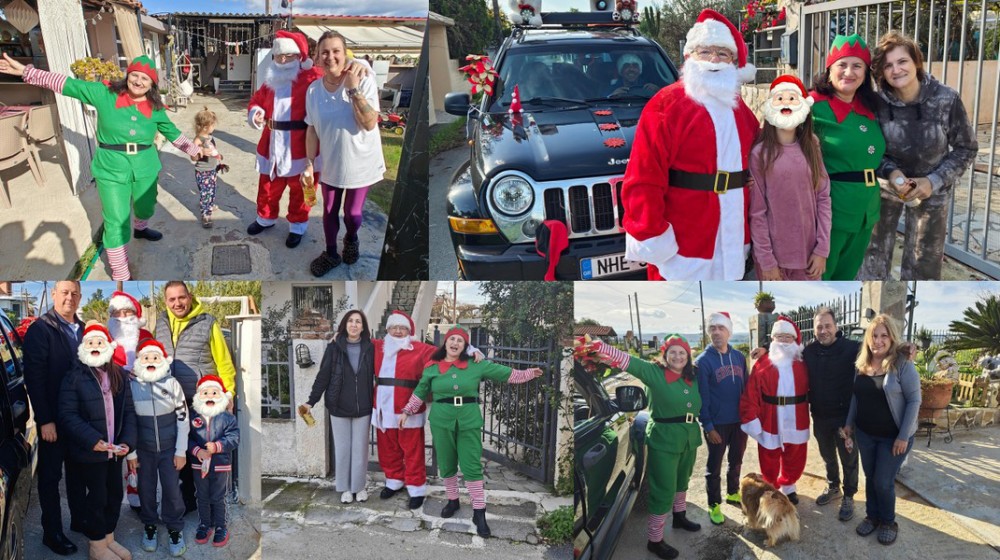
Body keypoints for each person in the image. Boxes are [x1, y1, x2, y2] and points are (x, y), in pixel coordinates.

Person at [0, 54, 207, 280]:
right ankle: (121, 272)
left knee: (146, 207)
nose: (138, 81)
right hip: (111, 166)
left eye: (145, 79)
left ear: (152, 84)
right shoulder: (105, 94)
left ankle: (140, 227)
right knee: (116, 221)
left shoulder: (156, 108)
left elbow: (173, 134)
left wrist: (196, 151)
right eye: (134, 75)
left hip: (145, 165)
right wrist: (27, 72)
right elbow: (67, 85)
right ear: (127, 76)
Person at [622, 9, 759, 280]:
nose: (714, 60)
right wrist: (651, 232)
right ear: (689, 56)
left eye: (723, 53)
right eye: (705, 52)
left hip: (732, 238)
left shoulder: (740, 109)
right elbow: (643, 176)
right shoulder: (666, 105)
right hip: (684, 243)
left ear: (733, 61)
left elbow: (760, 152)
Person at [399, 327, 543, 538]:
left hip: (468, 420)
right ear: (445, 343)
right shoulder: (432, 367)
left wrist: (529, 373)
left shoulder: (475, 364)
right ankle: (453, 500)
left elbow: (505, 373)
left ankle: (479, 511)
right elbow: (420, 392)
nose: (455, 343)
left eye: (460, 340)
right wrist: (406, 411)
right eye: (452, 339)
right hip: (441, 420)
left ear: (466, 346)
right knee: (447, 463)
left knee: (471, 465)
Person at [860, 31, 978, 280]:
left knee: (923, 267)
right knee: (872, 260)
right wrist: (891, 172)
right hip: (885, 188)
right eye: (888, 65)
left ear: (916, 61)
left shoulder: (946, 99)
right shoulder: (877, 103)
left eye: (902, 61)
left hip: (932, 191)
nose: (896, 70)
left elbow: (966, 148)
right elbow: (869, 149)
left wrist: (933, 181)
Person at [582, 335, 702, 560]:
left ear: (688, 356)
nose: (677, 357)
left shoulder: (692, 376)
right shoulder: (654, 373)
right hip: (664, 439)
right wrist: (599, 347)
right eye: (673, 352)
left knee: (682, 481)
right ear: (665, 355)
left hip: (689, 437)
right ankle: (655, 541)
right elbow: (627, 361)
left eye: (682, 353)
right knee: (663, 489)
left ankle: (679, 516)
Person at [305, 31, 385, 276]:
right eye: (325, 52)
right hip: (331, 163)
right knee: (329, 210)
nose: (330, 57)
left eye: (336, 51)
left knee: (352, 213)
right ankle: (331, 253)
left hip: (362, 162)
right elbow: (311, 129)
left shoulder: (363, 79)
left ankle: (351, 238)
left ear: (345, 53)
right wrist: (309, 163)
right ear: (317, 57)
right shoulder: (313, 91)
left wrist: (352, 89)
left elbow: (371, 123)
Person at [155, 280, 237, 512]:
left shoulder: (207, 322)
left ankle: (208, 503)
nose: (177, 303)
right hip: (170, 401)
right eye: (172, 299)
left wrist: (228, 393)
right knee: (177, 451)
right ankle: (184, 502)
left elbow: (224, 362)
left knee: (202, 452)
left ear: (190, 297)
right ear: (166, 301)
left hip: (200, 401)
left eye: (181, 297)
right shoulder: (161, 322)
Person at [809, 34, 885, 280]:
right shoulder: (811, 106)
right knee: (821, 279)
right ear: (830, 68)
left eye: (857, 66)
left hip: (866, 211)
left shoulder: (871, 109)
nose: (849, 72)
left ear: (865, 73)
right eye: (842, 64)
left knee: (846, 277)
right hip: (831, 212)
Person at [60, 324, 136, 560]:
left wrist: (128, 443)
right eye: (90, 343)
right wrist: (92, 439)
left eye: (99, 343)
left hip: (114, 452)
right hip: (90, 453)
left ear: (109, 347)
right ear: (84, 347)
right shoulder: (74, 377)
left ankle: (108, 538)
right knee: (96, 498)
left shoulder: (120, 376)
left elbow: (130, 413)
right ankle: (96, 546)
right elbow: (67, 414)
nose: (95, 347)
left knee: (114, 495)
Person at [843, 314, 920, 545]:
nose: (878, 341)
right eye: (874, 335)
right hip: (866, 435)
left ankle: (888, 521)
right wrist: (848, 424)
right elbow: (856, 398)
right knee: (870, 478)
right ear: (868, 339)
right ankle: (872, 516)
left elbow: (914, 401)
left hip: (893, 437)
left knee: (883, 481)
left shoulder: (902, 365)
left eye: (883, 335)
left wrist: (903, 436)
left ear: (892, 338)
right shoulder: (862, 365)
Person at [22, 281, 86, 555]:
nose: (69, 298)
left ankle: (79, 520)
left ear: (80, 297)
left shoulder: (82, 329)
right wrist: (45, 419)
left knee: (77, 473)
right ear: (54, 295)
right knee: (49, 478)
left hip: (78, 419)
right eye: (64, 293)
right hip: (54, 421)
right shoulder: (42, 329)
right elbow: (34, 378)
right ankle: (52, 532)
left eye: (74, 293)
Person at [749, 75, 832, 280]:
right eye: (780, 99)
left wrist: (822, 249)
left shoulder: (811, 146)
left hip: (809, 259)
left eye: (793, 99)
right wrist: (767, 260)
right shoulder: (760, 154)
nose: (786, 104)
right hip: (774, 262)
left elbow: (823, 198)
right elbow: (757, 212)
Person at [246, 30, 323, 247]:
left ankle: (298, 225)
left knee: (303, 189)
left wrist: (360, 68)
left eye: (288, 55)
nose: (282, 59)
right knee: (268, 187)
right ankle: (266, 218)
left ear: (299, 56)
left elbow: (337, 77)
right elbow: (256, 101)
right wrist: (256, 112)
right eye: (278, 55)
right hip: (272, 143)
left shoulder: (313, 78)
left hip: (302, 145)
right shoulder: (270, 80)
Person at [301, 309, 376, 504]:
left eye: (358, 322)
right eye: (350, 321)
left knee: (359, 450)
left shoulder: (370, 347)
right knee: (343, 450)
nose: (354, 324)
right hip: (338, 406)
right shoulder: (334, 348)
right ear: (344, 324)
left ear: (363, 327)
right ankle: (344, 488)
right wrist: (311, 401)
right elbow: (323, 376)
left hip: (363, 407)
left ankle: (359, 487)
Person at [126, 339, 189, 557]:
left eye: (155, 357)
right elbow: (129, 421)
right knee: (146, 489)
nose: (151, 361)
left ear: (162, 360)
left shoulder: (172, 384)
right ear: (139, 361)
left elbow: (183, 418)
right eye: (146, 358)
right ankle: (150, 525)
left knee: (172, 489)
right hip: (143, 451)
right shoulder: (133, 385)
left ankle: (175, 528)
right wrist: (131, 452)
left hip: (170, 450)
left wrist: (181, 451)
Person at [740, 316, 810, 504]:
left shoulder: (804, 361)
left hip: (797, 414)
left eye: (788, 337)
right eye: (779, 337)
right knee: (769, 454)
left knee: (795, 453)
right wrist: (751, 418)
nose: (784, 341)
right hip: (770, 415)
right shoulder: (762, 363)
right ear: (772, 340)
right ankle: (771, 486)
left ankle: (788, 486)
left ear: (795, 340)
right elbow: (751, 392)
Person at [803, 307, 860, 521]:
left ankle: (849, 496)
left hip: (845, 421)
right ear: (814, 329)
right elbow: (785, 348)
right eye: (819, 326)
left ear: (836, 327)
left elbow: (879, 349)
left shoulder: (852, 348)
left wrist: (904, 349)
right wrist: (764, 348)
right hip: (819, 417)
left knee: (849, 459)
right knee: (827, 457)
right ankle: (833, 486)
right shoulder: (809, 351)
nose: (823, 330)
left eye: (828, 326)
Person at [695, 312, 748, 525]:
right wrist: (708, 426)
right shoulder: (702, 362)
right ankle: (714, 503)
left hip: (739, 423)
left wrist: (747, 418)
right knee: (714, 466)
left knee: (736, 460)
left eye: (721, 328)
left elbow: (746, 390)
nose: (716, 332)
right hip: (717, 424)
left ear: (729, 331)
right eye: (712, 328)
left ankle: (733, 492)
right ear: (708, 332)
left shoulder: (739, 358)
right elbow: (702, 397)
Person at [189, 375, 240, 548]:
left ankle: (221, 526)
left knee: (218, 497)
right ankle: (205, 524)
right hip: (199, 465)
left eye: (214, 392)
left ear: (222, 396)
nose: (210, 396)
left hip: (220, 465)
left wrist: (218, 446)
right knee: (202, 495)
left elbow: (234, 438)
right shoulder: (193, 418)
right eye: (205, 392)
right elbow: (187, 439)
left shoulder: (227, 418)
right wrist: (198, 451)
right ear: (198, 396)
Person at [192, 107, 224, 228]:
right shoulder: (198, 140)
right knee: (206, 193)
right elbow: (193, 157)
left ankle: (209, 206)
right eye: (213, 124)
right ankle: (206, 215)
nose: (214, 126)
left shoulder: (209, 137)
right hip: (203, 172)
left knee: (212, 190)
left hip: (211, 170)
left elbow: (213, 150)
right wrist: (201, 152)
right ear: (206, 126)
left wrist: (218, 156)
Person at [107, 291, 153, 372]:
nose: (123, 316)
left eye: (127, 311)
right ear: (111, 316)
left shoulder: (146, 335)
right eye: (117, 312)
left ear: (134, 313)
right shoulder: (106, 338)